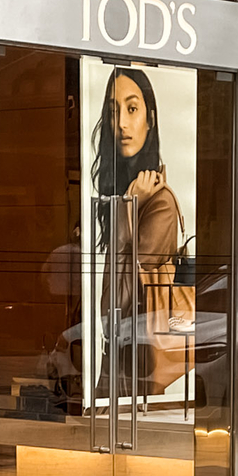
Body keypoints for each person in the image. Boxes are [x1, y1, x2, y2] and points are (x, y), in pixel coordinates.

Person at [91, 66, 190, 396]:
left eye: (132, 109)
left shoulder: (158, 203)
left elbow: (116, 301)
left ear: (151, 118)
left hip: (139, 367)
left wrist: (129, 206)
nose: (121, 123)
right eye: (113, 111)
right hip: (122, 361)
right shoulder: (123, 193)